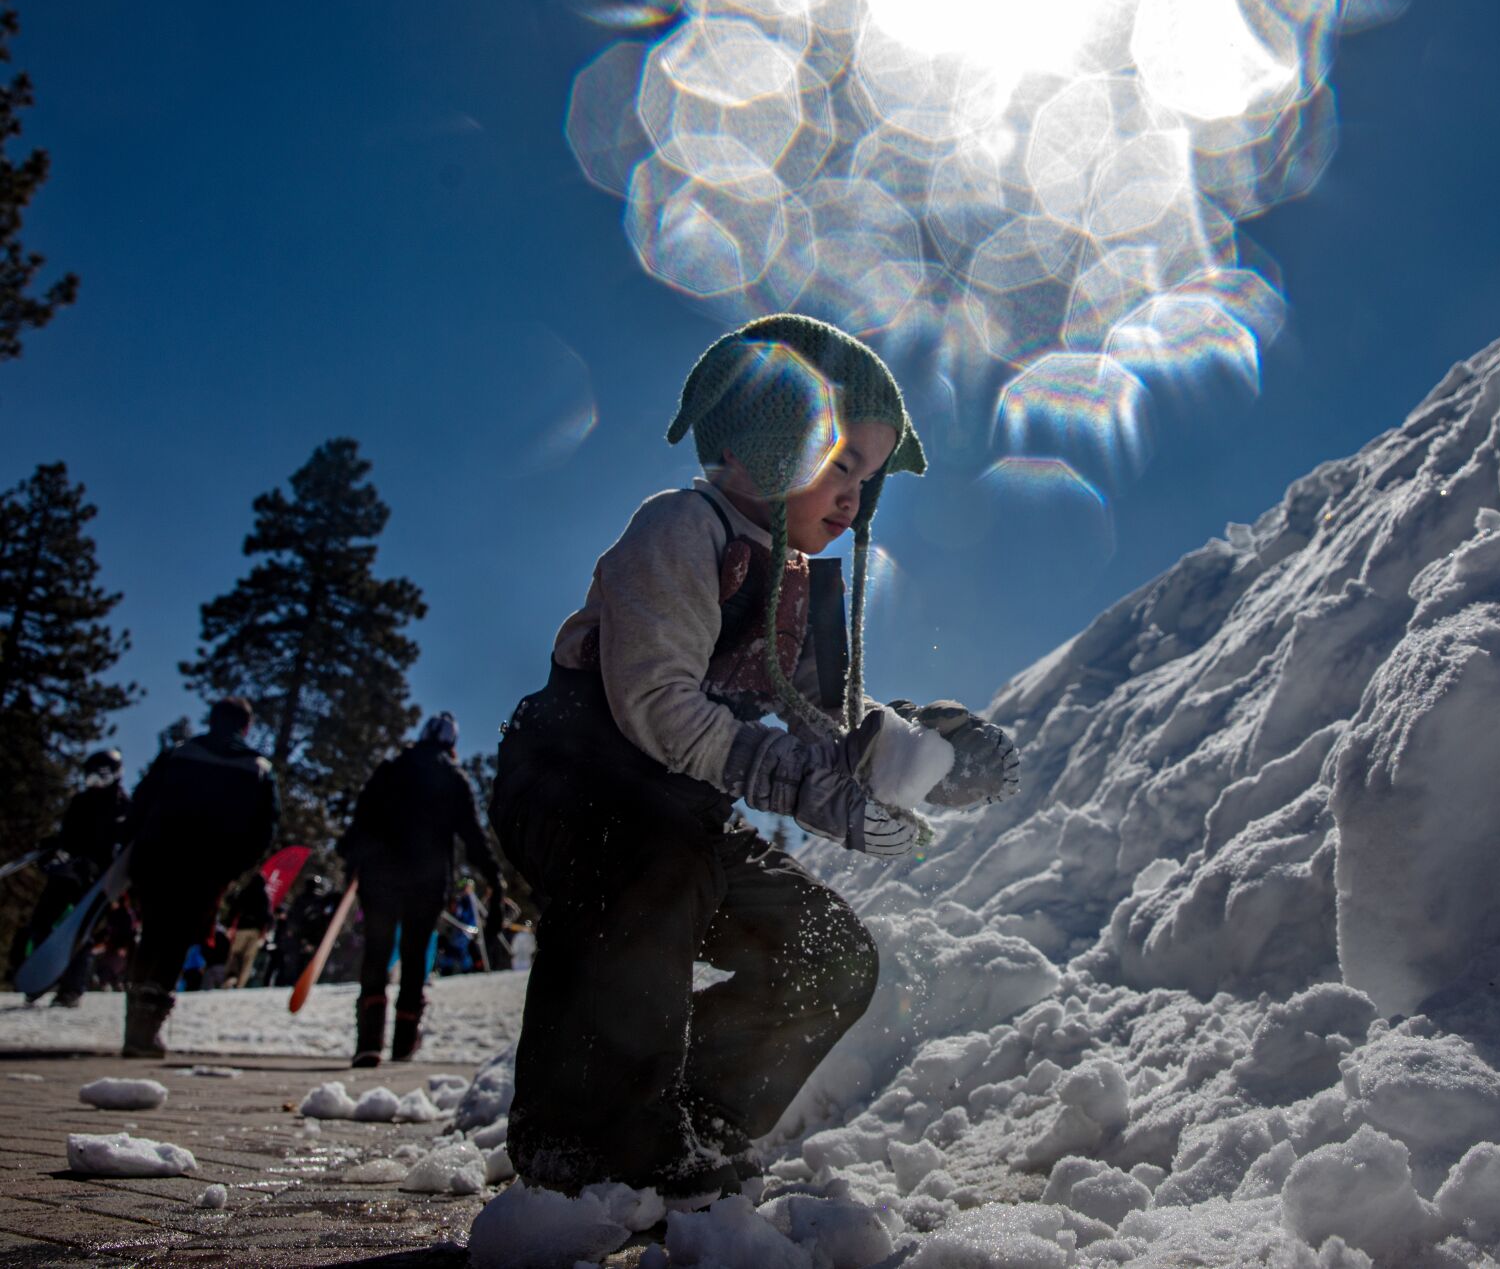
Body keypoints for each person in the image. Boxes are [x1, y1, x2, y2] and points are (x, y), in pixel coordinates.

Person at [487, 314, 1021, 1206]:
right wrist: (800, 783)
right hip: (578, 788)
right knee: (645, 873)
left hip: (685, 813)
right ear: (767, 442)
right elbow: (657, 705)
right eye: (842, 462)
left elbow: (828, 725)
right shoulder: (678, 531)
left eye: (871, 476)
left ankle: (684, 1120)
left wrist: (923, 750)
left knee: (830, 953)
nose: (856, 494)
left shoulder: (799, 590)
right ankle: (579, 1141)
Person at [337, 711, 504, 1066]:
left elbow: (362, 819)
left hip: (381, 876)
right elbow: (473, 837)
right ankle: (403, 1042)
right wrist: (494, 877)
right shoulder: (452, 778)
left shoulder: (390, 769)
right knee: (414, 960)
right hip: (426, 882)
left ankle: (369, 1042)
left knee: (377, 954)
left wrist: (352, 858)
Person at [121, 697, 279, 1057]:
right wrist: (233, 868)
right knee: (176, 941)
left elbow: (141, 801)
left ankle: (135, 1023)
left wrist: (132, 852)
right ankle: (148, 1026)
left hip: (158, 858)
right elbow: (265, 828)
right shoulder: (256, 766)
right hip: (206, 870)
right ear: (246, 727)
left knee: (152, 935)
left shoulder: (180, 754)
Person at [8, 749, 131, 1006]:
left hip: (93, 881)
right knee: (41, 922)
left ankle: (72, 988)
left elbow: (118, 847)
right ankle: (42, 977)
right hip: (66, 873)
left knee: (79, 930)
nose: (94, 784)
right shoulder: (81, 802)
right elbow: (69, 836)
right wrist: (52, 846)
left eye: (100, 777)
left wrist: (98, 867)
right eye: (90, 778)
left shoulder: (121, 806)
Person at [220, 869, 273, 988]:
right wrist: (265, 932)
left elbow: (234, 910)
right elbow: (268, 916)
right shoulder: (265, 896)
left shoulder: (245, 892)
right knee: (248, 959)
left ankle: (230, 978)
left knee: (235, 954)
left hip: (242, 928)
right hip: (256, 931)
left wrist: (229, 926)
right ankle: (240, 983)